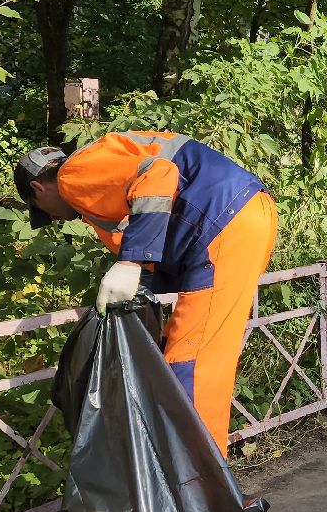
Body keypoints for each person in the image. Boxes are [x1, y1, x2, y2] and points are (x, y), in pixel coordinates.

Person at [17, 132, 277, 456]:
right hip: (241, 217)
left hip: (221, 224)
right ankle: (204, 484)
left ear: (38, 188)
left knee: (190, 364)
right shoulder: (96, 181)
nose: (53, 219)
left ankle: (198, 491)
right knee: (194, 356)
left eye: (43, 211)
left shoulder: (73, 175)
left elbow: (158, 173)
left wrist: (130, 260)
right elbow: (153, 236)